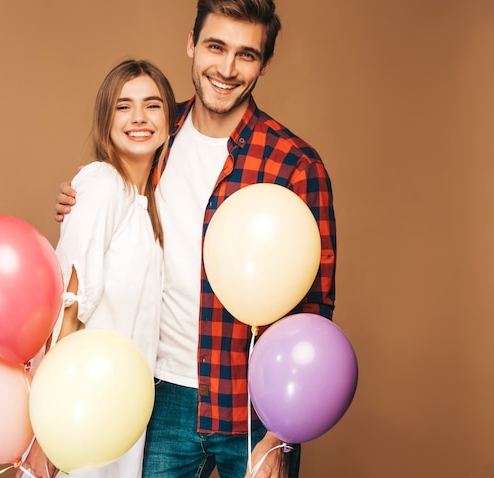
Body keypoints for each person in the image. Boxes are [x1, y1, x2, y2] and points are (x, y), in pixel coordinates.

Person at [54, 1, 337, 477]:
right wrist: (77, 198)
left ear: (265, 63)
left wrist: (278, 435)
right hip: (160, 396)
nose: (226, 69)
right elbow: (112, 206)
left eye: (246, 55)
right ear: (191, 43)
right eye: (215, 47)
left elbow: (313, 311)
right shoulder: (157, 131)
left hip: (252, 410)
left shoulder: (295, 166)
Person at [16, 59, 177, 478]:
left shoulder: (149, 205)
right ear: (106, 120)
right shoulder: (101, 184)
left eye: (152, 105)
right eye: (124, 106)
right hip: (79, 409)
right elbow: (66, 309)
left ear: (170, 119)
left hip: (121, 414)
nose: (139, 118)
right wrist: (47, 433)